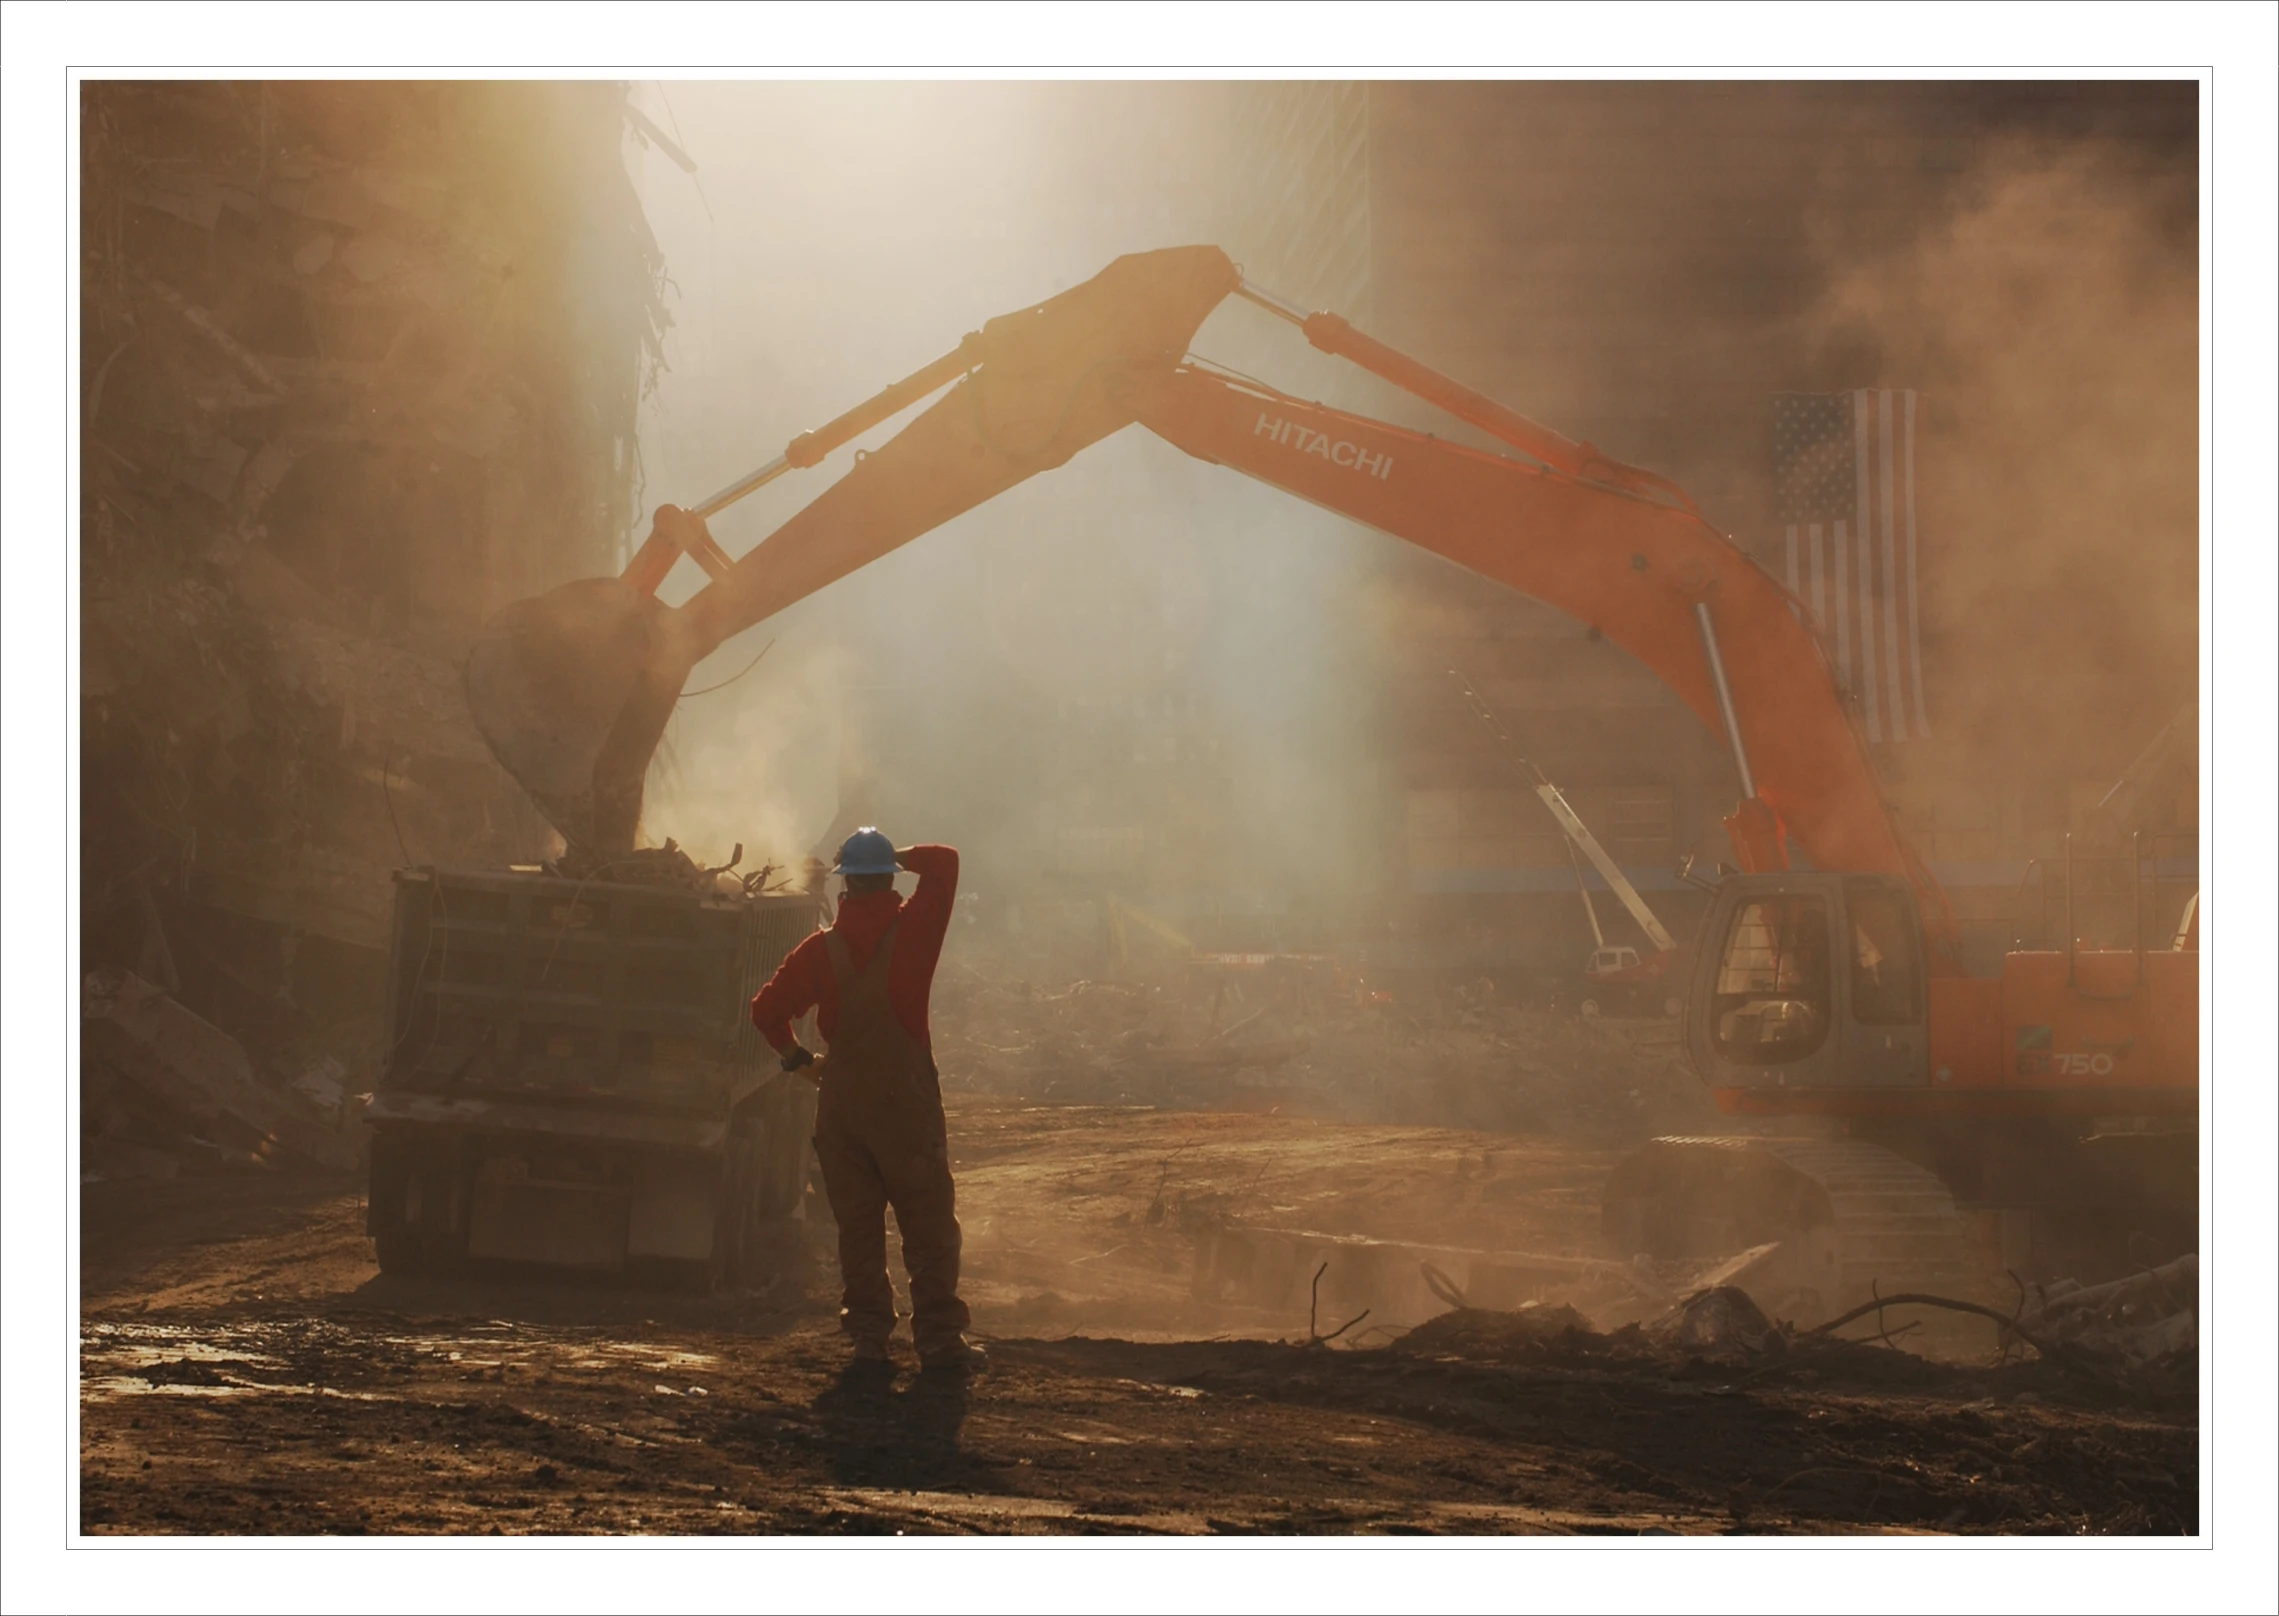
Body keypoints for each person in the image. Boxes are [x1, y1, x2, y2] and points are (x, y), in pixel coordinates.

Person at [749, 828, 983, 1373]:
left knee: (857, 1228)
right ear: (889, 881)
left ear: (844, 885)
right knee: (927, 1225)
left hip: (843, 1107)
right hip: (905, 1105)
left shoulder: (819, 950)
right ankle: (939, 1342)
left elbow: (766, 1012)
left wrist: (800, 1062)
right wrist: (894, 854)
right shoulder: (917, 931)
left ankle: (869, 1343)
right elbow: (945, 862)